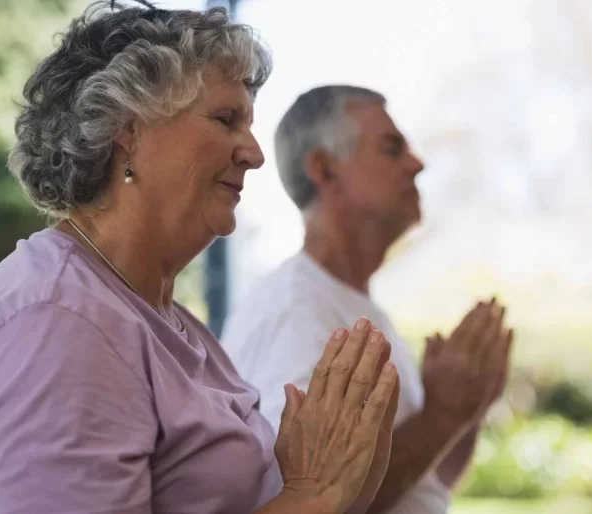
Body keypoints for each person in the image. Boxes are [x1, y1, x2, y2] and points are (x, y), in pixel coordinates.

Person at [0, 6, 402, 514]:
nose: (254, 154)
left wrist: (347, 470)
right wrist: (312, 495)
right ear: (129, 130)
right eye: (226, 119)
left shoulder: (157, 315)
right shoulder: (58, 321)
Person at [221, 85, 515, 513]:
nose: (417, 164)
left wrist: (468, 405)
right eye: (392, 148)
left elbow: (429, 483)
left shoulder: (350, 304)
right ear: (325, 169)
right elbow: (308, 496)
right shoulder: (296, 309)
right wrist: (443, 413)